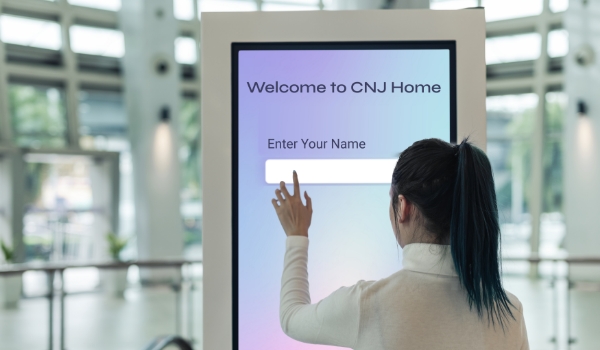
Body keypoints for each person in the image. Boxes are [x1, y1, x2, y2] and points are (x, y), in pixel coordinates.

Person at [271, 138, 529, 350]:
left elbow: (291, 317)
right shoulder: (510, 312)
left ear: (403, 207)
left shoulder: (368, 304)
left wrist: (297, 236)